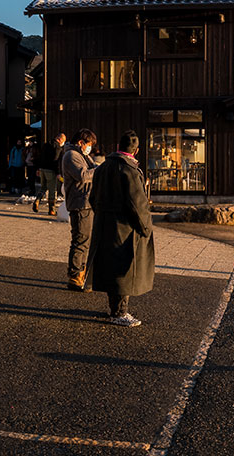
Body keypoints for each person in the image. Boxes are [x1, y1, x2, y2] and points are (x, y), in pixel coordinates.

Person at [87, 131, 155, 327]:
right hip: (124, 226)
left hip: (103, 223)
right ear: (137, 151)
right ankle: (119, 312)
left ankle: (114, 308)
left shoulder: (102, 168)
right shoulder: (130, 171)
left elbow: (93, 198)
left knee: (110, 266)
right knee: (125, 269)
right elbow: (138, 205)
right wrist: (146, 228)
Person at [58, 130, 98, 290]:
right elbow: (82, 175)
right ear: (81, 142)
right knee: (80, 240)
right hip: (80, 202)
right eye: (89, 144)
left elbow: (92, 168)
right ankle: (75, 275)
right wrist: (99, 170)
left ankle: (81, 272)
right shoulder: (71, 156)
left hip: (86, 202)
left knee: (84, 240)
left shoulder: (81, 155)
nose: (90, 148)